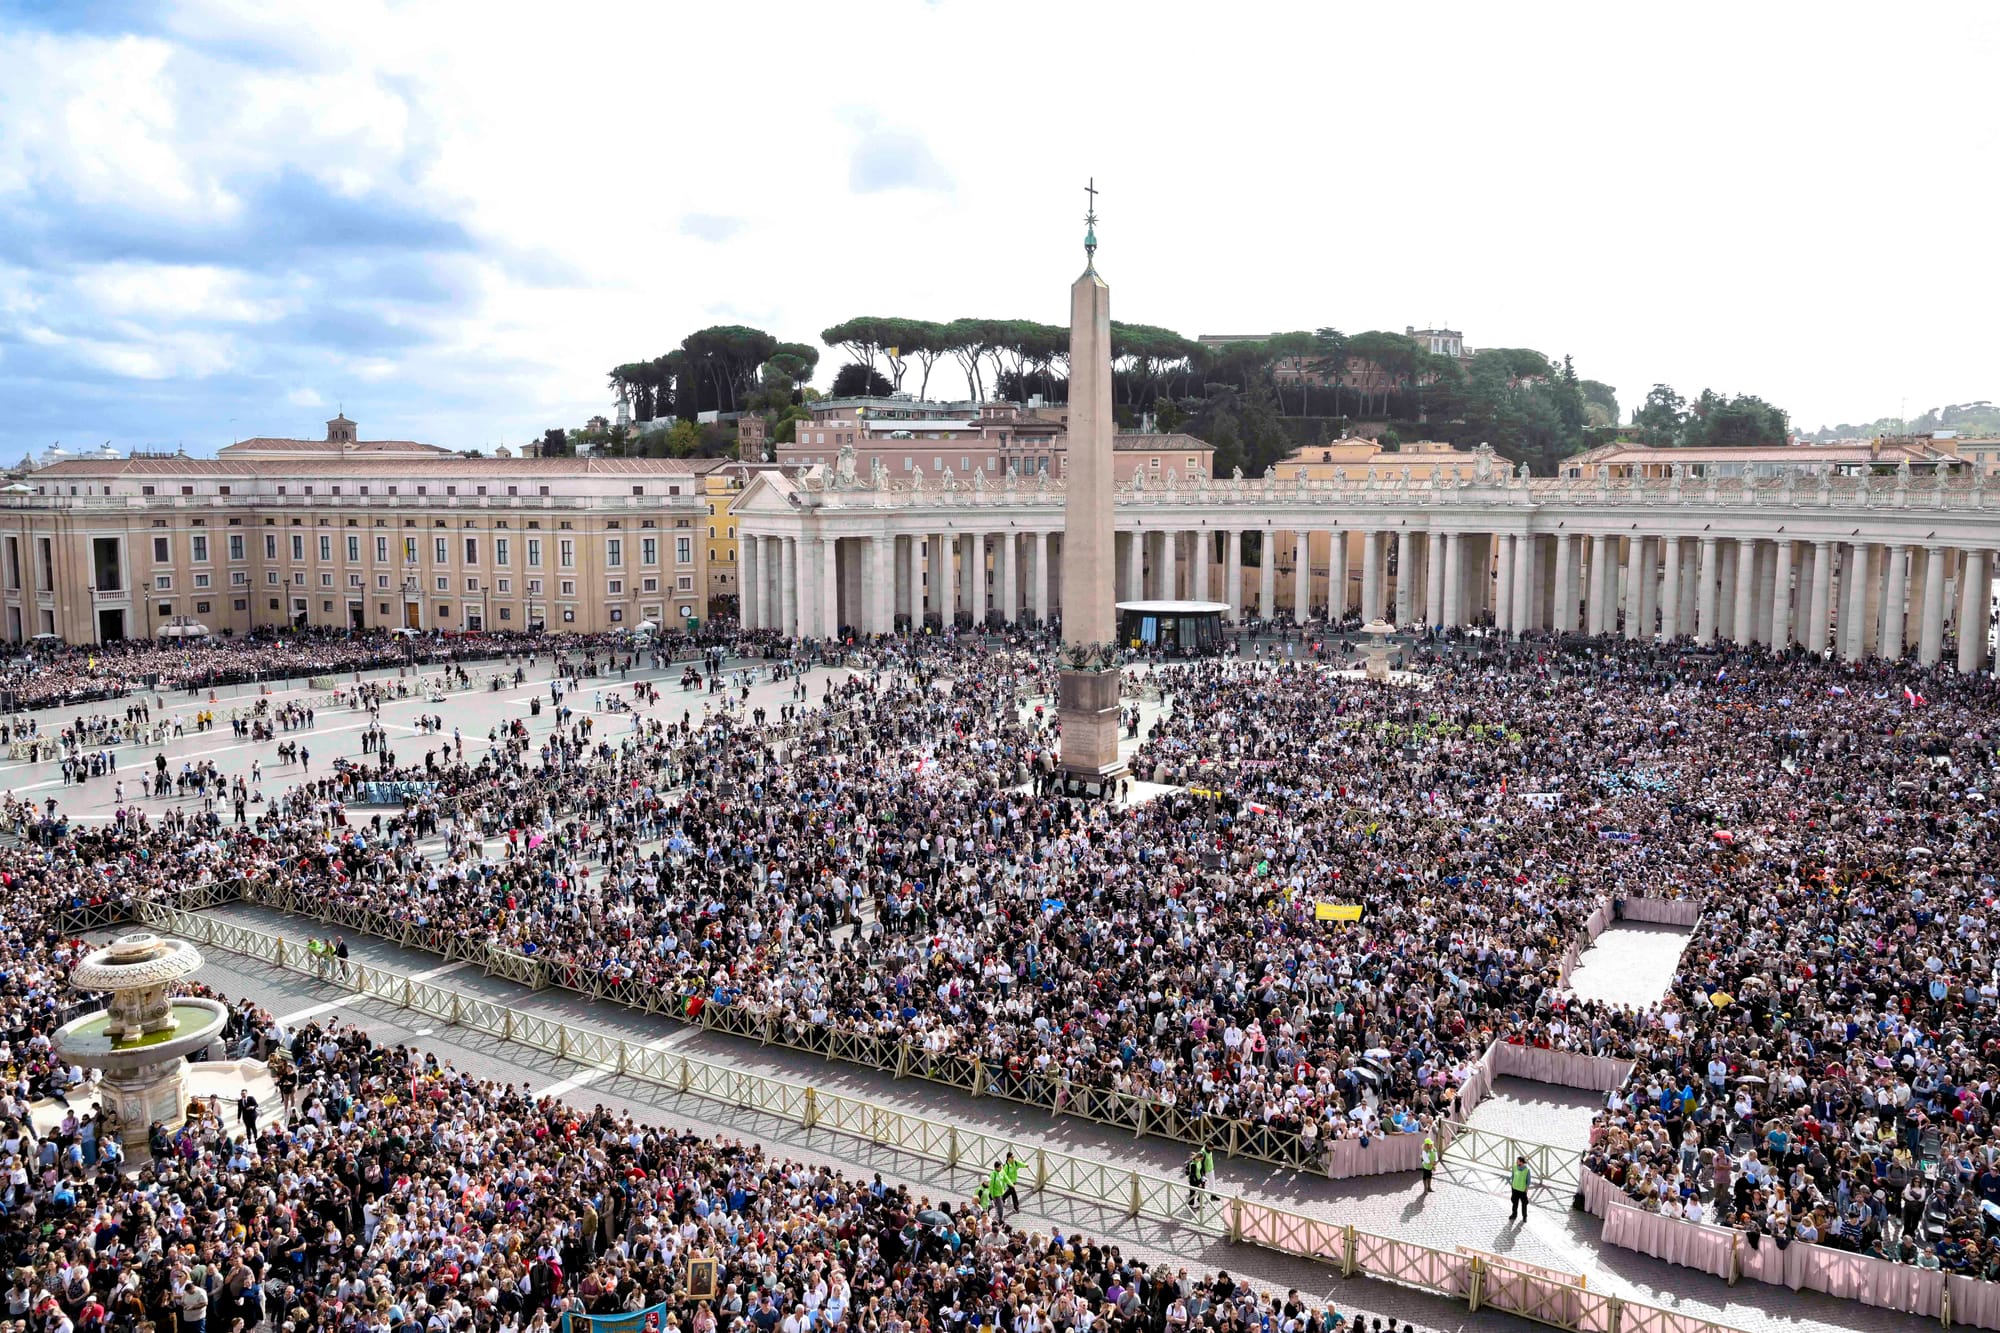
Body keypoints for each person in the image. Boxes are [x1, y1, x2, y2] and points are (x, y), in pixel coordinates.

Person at [1509, 1155, 1532, 1222]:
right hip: (1515, 1188)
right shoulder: (1515, 1167)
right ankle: (1514, 1214)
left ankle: (1524, 1216)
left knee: (1524, 1204)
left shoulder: (1527, 1170)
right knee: (1514, 1202)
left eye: (1518, 1161)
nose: (1516, 1162)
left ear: (1521, 1162)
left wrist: (1526, 1189)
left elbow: (1528, 1181)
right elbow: (1513, 1176)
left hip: (1522, 1190)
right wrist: (1512, 1184)